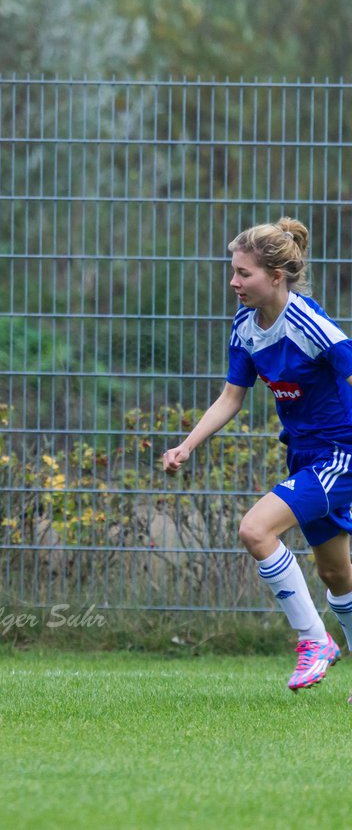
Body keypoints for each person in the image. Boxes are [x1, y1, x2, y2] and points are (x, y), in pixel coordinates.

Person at [163, 217, 352, 693]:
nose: (233, 282)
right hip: (304, 455)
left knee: (255, 528)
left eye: (243, 273)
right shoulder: (246, 326)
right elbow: (232, 396)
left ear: (276, 276)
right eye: (233, 271)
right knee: (335, 571)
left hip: (340, 453)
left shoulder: (308, 322)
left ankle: (315, 641)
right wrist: (188, 444)